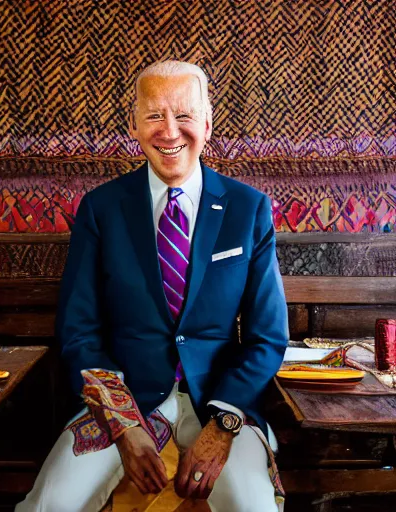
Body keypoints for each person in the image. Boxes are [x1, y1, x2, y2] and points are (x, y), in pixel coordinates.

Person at [16, 60, 289, 512]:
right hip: (123, 401)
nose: (169, 131)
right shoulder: (101, 209)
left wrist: (223, 425)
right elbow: (79, 332)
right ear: (134, 125)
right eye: (154, 116)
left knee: (253, 506)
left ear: (207, 120)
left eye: (183, 115)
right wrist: (124, 425)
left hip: (219, 405)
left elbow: (267, 337)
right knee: (50, 504)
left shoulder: (249, 209)